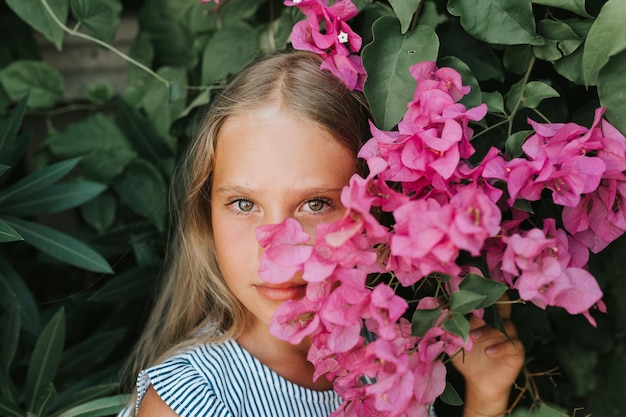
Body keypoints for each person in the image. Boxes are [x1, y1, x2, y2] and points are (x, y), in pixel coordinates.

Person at [120, 50, 525, 417]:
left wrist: (485, 398)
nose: (276, 249)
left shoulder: (387, 353)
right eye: (244, 204)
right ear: (206, 213)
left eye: (316, 204)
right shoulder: (194, 400)